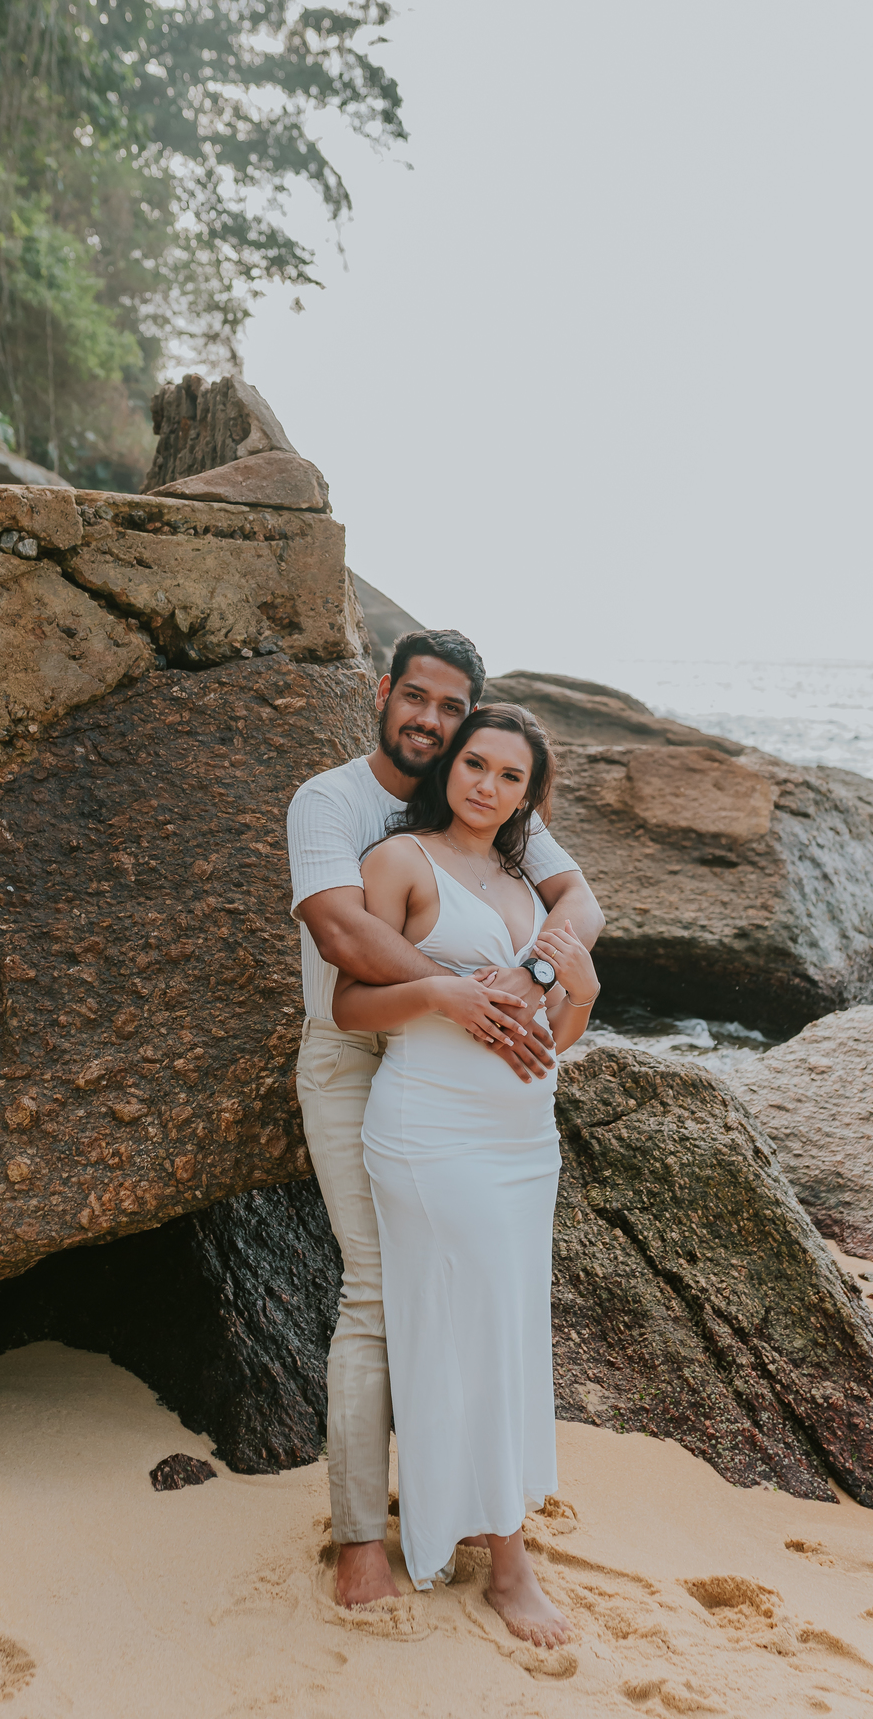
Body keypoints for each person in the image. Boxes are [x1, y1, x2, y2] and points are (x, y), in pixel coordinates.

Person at [287, 630, 604, 1610]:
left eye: (451, 708)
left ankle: (470, 1505)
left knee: (475, 1309)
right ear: (383, 694)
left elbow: (578, 903)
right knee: (380, 1293)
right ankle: (360, 1539)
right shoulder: (336, 803)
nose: (431, 719)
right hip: (363, 1060)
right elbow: (342, 935)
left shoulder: (496, 812)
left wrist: (542, 976)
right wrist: (460, 993)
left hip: (487, 1096)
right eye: (415, 699)